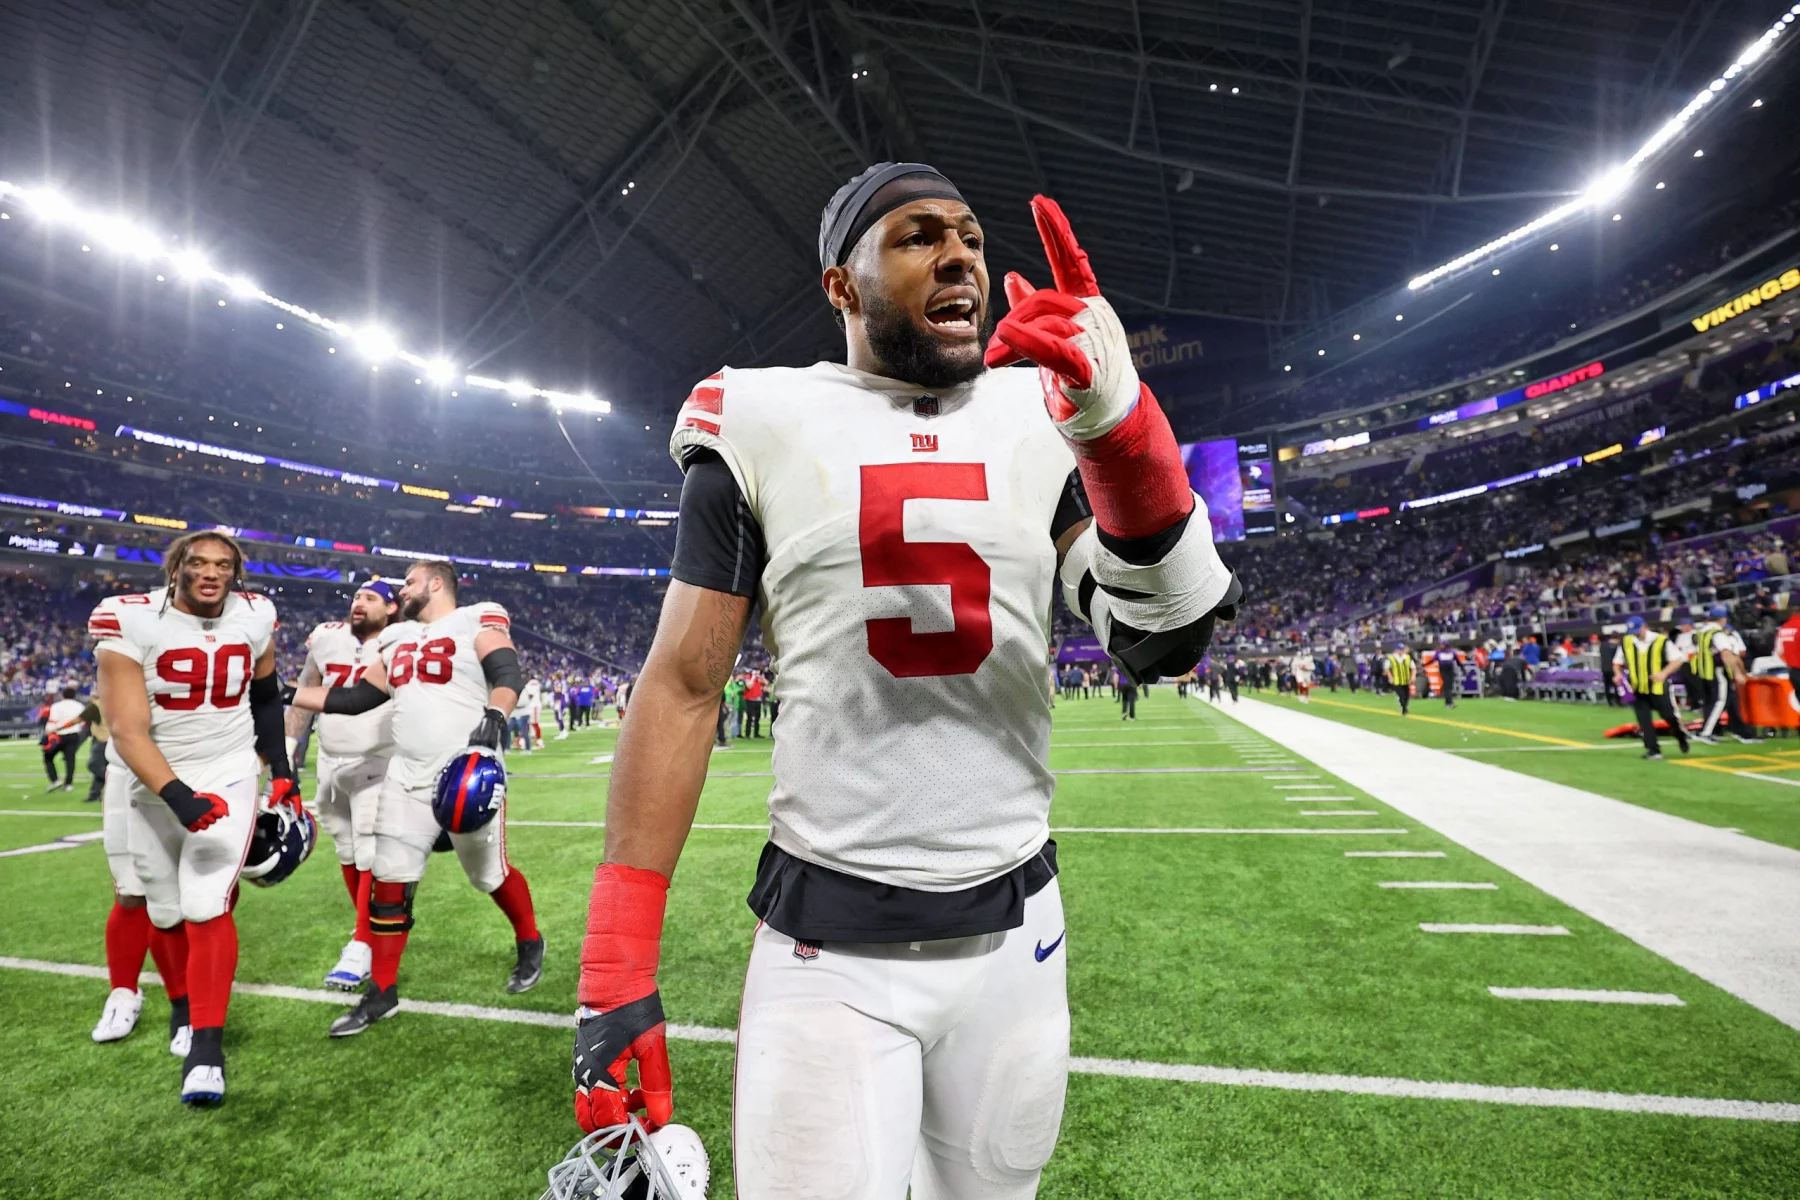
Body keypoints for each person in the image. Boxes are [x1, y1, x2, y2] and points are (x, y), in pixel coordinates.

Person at [565, 171, 1239, 1196]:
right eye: (919, 237)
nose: (961, 253)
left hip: (1016, 935)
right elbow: (685, 688)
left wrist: (1122, 432)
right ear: (844, 284)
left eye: (970, 235)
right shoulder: (761, 416)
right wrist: (615, 969)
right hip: (826, 951)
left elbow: (1165, 639)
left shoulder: (1043, 411)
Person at [288, 560, 544, 1036]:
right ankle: (382, 991)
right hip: (405, 775)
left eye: (408, 581)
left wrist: (495, 714)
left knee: (487, 876)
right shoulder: (394, 637)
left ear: (435, 582)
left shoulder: (477, 616)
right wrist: (289, 693)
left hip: (465, 770)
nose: (402, 590)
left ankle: (529, 940)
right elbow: (359, 697)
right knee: (389, 883)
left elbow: (507, 670)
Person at [89, 530, 299, 1105]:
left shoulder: (256, 613)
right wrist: (179, 796)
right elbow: (128, 730)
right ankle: (178, 1006)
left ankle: (207, 1050)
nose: (211, 573)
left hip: (228, 768)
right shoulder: (127, 617)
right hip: (149, 773)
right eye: (199, 562)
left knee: (206, 902)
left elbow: (264, 693)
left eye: (224, 565)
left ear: (237, 572)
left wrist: (280, 766)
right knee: (161, 905)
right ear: (177, 565)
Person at [284, 580, 399, 992]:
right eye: (356, 597)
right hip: (330, 760)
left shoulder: (401, 641)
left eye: (370, 598)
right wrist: (287, 750)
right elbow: (303, 689)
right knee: (347, 849)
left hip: (379, 758)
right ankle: (369, 932)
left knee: (370, 849)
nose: (359, 604)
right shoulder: (326, 637)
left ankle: (362, 942)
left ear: (391, 607)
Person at [1615, 614, 1690, 760]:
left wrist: (1663, 673)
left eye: (1638, 630)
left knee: (1668, 716)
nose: (1636, 634)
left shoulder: (1661, 641)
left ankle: (1680, 736)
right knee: (1644, 720)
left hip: (1658, 687)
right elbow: (1617, 661)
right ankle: (1653, 750)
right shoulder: (1627, 641)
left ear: (1645, 627)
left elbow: (1677, 660)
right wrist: (1618, 674)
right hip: (1637, 687)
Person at [1696, 605, 1755, 743]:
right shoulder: (1718, 634)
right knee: (1719, 701)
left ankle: (1739, 731)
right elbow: (1726, 654)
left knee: (1727, 701)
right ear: (1722, 619)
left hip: (1704, 671)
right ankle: (1705, 732)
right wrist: (1738, 673)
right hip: (1718, 672)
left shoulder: (1701, 631)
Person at [41, 684, 87, 791]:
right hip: (74, 735)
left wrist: (48, 732)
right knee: (70, 759)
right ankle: (69, 783)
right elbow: (83, 721)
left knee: (48, 757)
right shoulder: (80, 706)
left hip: (58, 735)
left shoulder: (56, 706)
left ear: (62, 695)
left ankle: (55, 780)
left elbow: (53, 720)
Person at [513, 675, 543, 752]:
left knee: (534, 723)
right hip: (531, 706)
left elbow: (530, 695)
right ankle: (525, 741)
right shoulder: (531, 684)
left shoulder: (531, 684)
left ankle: (539, 742)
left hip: (534, 705)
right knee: (528, 724)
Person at [1386, 642, 1415, 715]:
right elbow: (1387, 668)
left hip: (1406, 680)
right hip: (1397, 680)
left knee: (1407, 696)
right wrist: (1390, 677)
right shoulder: (1391, 658)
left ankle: (1404, 706)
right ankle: (1404, 709)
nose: (1401, 651)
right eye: (1400, 649)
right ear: (1396, 650)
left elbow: (1413, 668)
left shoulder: (1407, 657)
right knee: (1401, 695)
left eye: (1402, 649)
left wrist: (1413, 676)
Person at [1433, 637, 1461, 708]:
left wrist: (1463, 669)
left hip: (1450, 671)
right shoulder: (1439, 652)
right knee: (1447, 687)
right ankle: (1448, 703)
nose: (1441, 645)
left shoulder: (1452, 652)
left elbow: (1458, 661)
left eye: (1442, 644)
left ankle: (1449, 702)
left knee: (1449, 687)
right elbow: (1433, 660)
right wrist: (1424, 665)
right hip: (1443, 671)